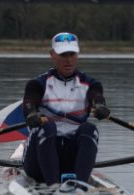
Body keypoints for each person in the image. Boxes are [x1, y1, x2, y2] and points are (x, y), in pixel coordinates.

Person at [22, 32, 110, 186]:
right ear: (52, 55)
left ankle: (80, 186)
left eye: (72, 54)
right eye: (63, 54)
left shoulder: (91, 84)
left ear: (77, 54)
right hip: (38, 161)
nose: (68, 59)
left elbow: (97, 97)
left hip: (71, 157)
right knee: (46, 126)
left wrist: (101, 107)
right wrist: (31, 114)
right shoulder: (37, 84)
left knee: (89, 128)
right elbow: (29, 104)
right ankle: (53, 186)